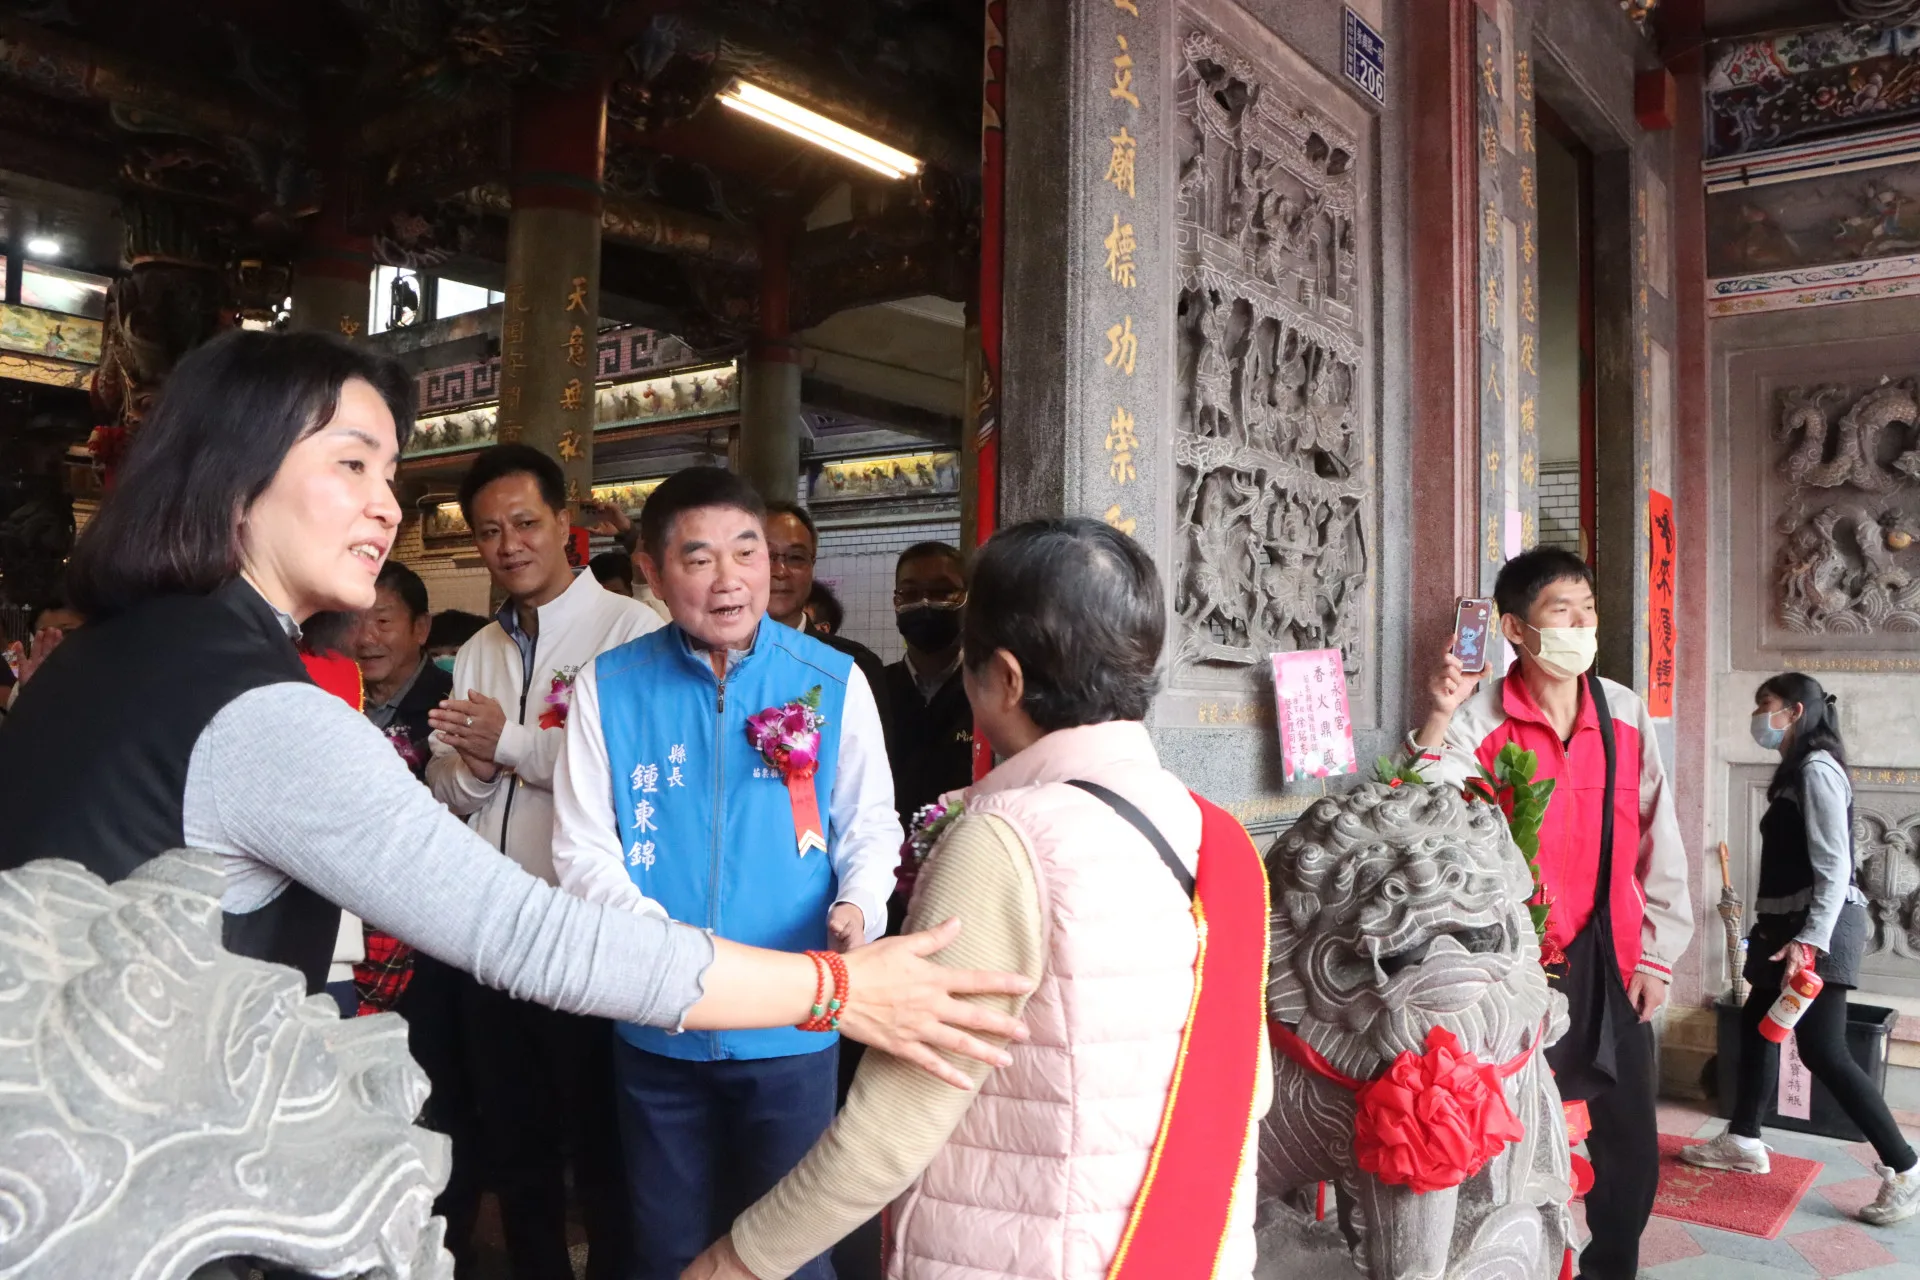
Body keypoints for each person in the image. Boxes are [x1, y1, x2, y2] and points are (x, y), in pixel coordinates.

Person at [0, 329, 1032, 1270]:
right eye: (350, 462)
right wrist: (839, 989)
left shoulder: (95, 660)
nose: (385, 505)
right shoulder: (260, 710)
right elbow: (528, 927)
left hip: (63, 1178)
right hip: (135, 1199)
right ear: (234, 472)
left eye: (391, 473)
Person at [684, 517, 1272, 1280]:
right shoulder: (1216, 836)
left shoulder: (1006, 842)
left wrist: (736, 1260)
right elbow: (1248, 1089)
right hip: (1191, 1249)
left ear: (1005, 677)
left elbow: (891, 1131)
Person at [552, 467, 903, 1280]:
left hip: (794, 1018)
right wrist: (669, 964)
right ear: (652, 570)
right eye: (698, 557)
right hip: (655, 1029)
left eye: (748, 552)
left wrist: (860, 903)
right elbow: (582, 851)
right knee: (668, 1248)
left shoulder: (831, 680)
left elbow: (870, 822)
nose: (729, 579)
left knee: (791, 1251)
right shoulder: (610, 687)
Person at [1410, 546, 1691, 1280]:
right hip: (1522, 975)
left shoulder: (1624, 712)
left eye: (1587, 610)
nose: (1581, 625)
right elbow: (1429, 812)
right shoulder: (1481, 718)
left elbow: (1661, 836)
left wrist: (1659, 952)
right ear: (1513, 628)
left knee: (1629, 1155)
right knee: (1521, 1148)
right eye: (1560, 613)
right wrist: (1440, 717)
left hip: (1617, 964)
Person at [424, 443, 668, 1280]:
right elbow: (448, 786)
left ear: (566, 524)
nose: (509, 544)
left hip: (590, 937)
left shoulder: (632, 632)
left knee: (603, 1150)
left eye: (525, 522)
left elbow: (642, 771)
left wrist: (516, 744)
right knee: (513, 1145)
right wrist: (474, 769)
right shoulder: (482, 647)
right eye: (489, 532)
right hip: (493, 938)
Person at [1681, 673, 1920, 1224]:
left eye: (1763, 705)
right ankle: (1742, 1140)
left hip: (1820, 928)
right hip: (1784, 925)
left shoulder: (1816, 769)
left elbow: (1836, 867)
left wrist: (1809, 941)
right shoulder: (1797, 770)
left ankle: (1904, 1168)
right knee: (1758, 1028)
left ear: (1792, 710)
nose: (1757, 717)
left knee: (1823, 1050)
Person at [879, 543, 973, 902]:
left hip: (965, 876)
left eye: (942, 592)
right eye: (910, 593)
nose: (924, 604)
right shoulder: (874, 686)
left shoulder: (987, 690)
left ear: (968, 599)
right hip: (883, 881)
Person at [763, 500, 887, 717]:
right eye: (766, 556)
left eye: (795, 558)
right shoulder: (717, 658)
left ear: (812, 566)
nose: (780, 571)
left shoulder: (853, 665)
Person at [357, 559, 450, 778]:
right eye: (352, 622)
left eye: (383, 621)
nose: (365, 638)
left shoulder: (448, 704)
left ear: (421, 628)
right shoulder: (334, 699)